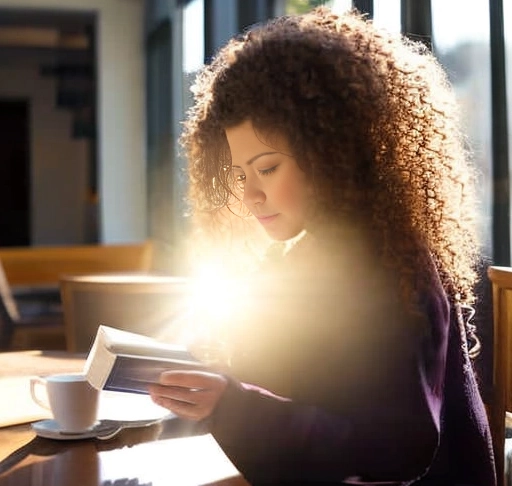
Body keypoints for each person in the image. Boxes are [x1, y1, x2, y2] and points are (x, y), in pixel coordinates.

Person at [148, 6, 496, 485]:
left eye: (267, 168)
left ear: (331, 153)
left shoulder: (393, 268)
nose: (250, 195)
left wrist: (231, 404)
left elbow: (396, 450)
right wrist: (215, 376)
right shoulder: (309, 256)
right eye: (239, 174)